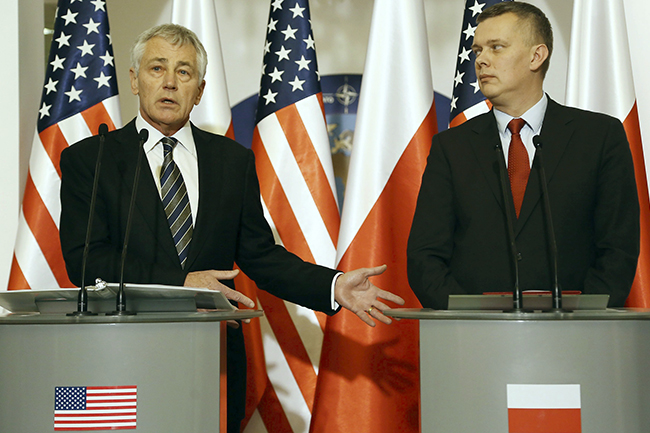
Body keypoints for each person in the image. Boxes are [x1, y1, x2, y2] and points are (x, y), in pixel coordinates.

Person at [59, 24, 404, 433]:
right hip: (124, 355)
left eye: (184, 72)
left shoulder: (231, 161)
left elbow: (260, 256)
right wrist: (181, 283)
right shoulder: (92, 159)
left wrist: (332, 284)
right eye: (157, 68)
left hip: (215, 358)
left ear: (199, 90)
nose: (169, 82)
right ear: (135, 80)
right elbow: (86, 260)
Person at [407, 1, 639, 310]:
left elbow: (618, 249)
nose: (481, 60)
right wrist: (471, 316)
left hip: (575, 331)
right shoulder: (451, 147)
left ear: (536, 56)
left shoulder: (599, 137)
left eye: (496, 47)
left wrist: (579, 316)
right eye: (477, 50)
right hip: (472, 332)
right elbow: (425, 257)